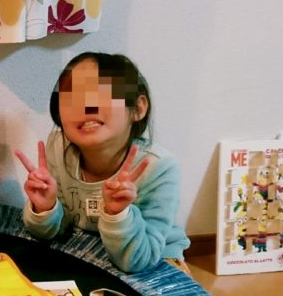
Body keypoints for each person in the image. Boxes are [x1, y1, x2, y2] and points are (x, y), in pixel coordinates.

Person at [14, 52, 191, 274]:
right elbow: (53, 231)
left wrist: (117, 214)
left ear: (138, 108)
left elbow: (138, 260)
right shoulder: (58, 148)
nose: (86, 107)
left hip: (153, 258)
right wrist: (46, 207)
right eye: (71, 99)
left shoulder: (158, 167)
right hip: (87, 245)